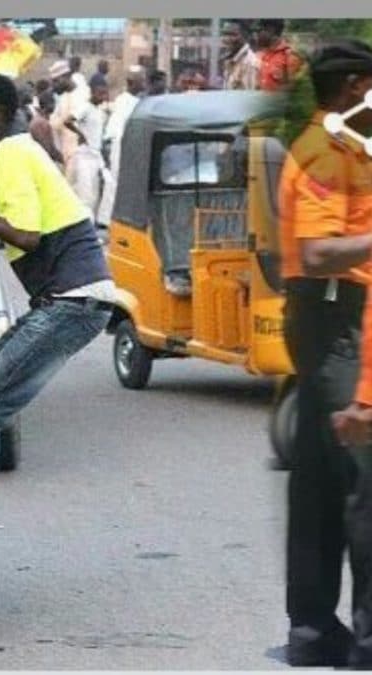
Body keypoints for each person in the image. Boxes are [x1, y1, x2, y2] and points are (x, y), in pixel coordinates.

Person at [0, 75, 114, 589]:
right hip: (64, 302)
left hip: (73, 302)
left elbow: (29, 238)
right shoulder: (6, 153)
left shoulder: (12, 151)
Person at [274, 41, 372, 668]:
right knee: (363, 481)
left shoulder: (345, 149)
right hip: (334, 318)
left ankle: (312, 632)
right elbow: (315, 253)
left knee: (317, 479)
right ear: (355, 87)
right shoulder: (321, 155)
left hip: (329, 319)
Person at [98, 66, 146, 226]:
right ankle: (106, 220)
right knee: (115, 182)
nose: (144, 83)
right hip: (119, 145)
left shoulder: (138, 101)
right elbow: (114, 130)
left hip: (130, 146)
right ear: (132, 82)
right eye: (142, 80)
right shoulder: (123, 101)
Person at [63, 79, 110, 221]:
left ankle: (92, 223)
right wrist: (80, 134)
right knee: (85, 193)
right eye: (100, 94)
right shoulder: (85, 107)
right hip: (85, 155)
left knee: (95, 193)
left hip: (95, 154)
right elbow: (68, 121)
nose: (103, 97)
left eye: (104, 94)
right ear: (93, 92)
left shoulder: (99, 111)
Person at [49, 59, 90, 180]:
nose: (54, 86)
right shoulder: (63, 97)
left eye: (56, 81)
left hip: (79, 156)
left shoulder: (82, 94)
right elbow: (55, 123)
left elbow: (68, 121)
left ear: (66, 77)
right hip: (64, 154)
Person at [255, 19, 304, 92]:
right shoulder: (261, 55)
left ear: (271, 30)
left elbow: (294, 88)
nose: (258, 34)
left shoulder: (289, 56)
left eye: (261, 30)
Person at [221, 20, 261, 90]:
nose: (226, 38)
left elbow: (250, 97)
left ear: (244, 36)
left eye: (232, 34)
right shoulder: (230, 59)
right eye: (225, 34)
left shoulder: (250, 63)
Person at [28, 91, 63, 167]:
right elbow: (48, 149)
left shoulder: (39, 120)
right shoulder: (41, 123)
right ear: (49, 104)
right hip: (44, 164)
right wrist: (64, 160)